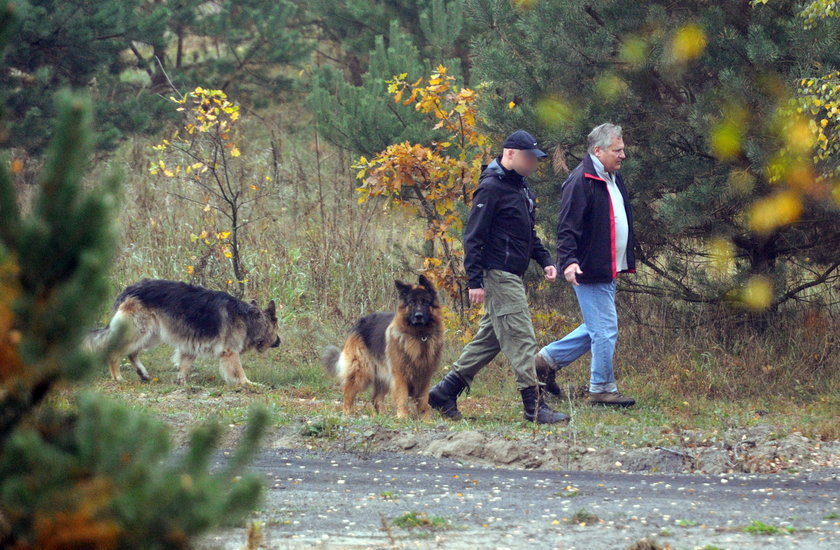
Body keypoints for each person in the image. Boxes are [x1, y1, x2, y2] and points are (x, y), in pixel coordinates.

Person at [428, 130, 569, 424]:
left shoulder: (521, 187)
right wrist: (475, 280)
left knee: (488, 340)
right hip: (497, 274)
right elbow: (473, 236)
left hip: (511, 273)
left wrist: (545, 260)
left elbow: (527, 234)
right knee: (521, 338)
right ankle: (535, 407)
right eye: (529, 157)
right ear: (510, 154)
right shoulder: (491, 187)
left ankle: (445, 392)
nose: (533, 163)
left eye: (535, 158)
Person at [535, 123, 636, 407]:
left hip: (608, 266)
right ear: (598, 150)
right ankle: (601, 388)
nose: (623, 155)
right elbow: (567, 226)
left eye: (623, 149)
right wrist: (569, 262)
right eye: (618, 150)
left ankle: (544, 362)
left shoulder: (613, 177)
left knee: (598, 327)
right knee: (605, 329)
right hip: (589, 268)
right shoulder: (580, 180)